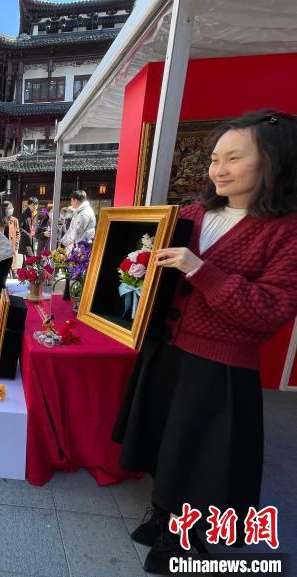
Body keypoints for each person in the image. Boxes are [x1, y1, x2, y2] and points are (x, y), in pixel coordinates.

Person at [113, 110, 297, 574]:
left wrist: (200, 269)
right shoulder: (191, 215)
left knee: (199, 458)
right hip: (167, 350)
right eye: (216, 158)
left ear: (273, 162)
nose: (219, 169)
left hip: (217, 365)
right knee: (163, 443)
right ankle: (162, 518)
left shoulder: (286, 231)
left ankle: (188, 542)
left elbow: (270, 311)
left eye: (234, 158)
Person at [1, 201, 20, 275]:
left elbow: (18, 233)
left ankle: (14, 272)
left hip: (12, 245)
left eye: (11, 208)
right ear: (4, 210)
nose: (11, 210)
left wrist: (17, 243)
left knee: (13, 266)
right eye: (8, 209)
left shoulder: (15, 220)